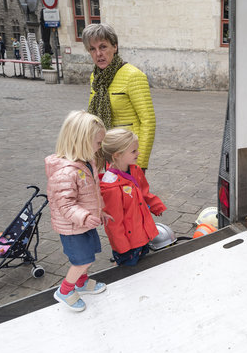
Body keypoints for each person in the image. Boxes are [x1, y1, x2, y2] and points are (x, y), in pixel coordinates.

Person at [45, 111, 113, 312]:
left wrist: (99, 211)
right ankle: (65, 290)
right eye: (98, 143)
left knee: (88, 254)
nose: (100, 147)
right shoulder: (66, 172)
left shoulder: (87, 164)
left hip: (84, 223)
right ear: (81, 141)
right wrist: (84, 216)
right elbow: (64, 205)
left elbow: (93, 191)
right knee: (83, 259)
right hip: (72, 227)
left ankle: (81, 283)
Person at [82, 23, 156, 172]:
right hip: (104, 153)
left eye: (103, 47)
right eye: (92, 49)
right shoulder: (95, 77)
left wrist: (139, 164)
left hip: (127, 155)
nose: (98, 54)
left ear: (114, 47)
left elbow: (148, 121)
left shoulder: (133, 76)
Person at [100, 128, 166, 266]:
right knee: (129, 270)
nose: (138, 153)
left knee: (143, 265)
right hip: (128, 244)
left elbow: (144, 192)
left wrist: (155, 205)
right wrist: (122, 247)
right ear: (117, 155)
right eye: (133, 151)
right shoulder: (111, 186)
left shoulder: (134, 170)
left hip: (142, 234)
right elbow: (114, 222)